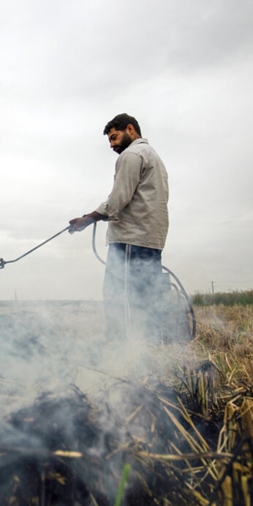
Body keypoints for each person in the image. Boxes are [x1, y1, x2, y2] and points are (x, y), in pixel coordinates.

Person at [69, 114, 169, 343]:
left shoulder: (132, 155)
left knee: (118, 296)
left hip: (130, 239)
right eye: (110, 141)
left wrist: (88, 219)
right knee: (147, 297)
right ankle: (150, 347)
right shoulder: (153, 156)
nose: (112, 144)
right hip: (150, 238)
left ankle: (120, 349)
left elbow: (118, 199)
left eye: (114, 137)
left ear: (130, 129)